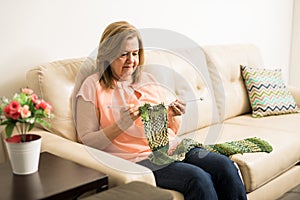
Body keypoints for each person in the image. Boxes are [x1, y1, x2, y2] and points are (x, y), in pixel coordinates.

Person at [75, 21, 247, 200]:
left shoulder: (146, 79)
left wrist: (172, 115)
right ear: (107, 55)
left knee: (225, 165)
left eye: (135, 54)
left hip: (174, 147)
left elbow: (169, 131)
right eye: (123, 55)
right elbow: (87, 141)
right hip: (138, 159)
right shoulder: (93, 86)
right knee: (199, 178)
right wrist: (120, 125)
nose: (131, 61)